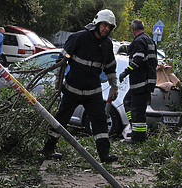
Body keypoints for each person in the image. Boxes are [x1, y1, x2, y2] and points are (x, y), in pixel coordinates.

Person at [43, 9, 119, 163]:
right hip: (73, 88)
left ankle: (104, 155)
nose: (106, 29)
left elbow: (110, 67)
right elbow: (62, 59)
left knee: (100, 122)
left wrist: (114, 86)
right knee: (61, 119)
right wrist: (58, 80)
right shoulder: (79, 37)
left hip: (93, 91)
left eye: (109, 27)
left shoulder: (107, 45)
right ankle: (48, 149)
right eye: (104, 25)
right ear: (97, 23)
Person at [119, 19, 157, 144]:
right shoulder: (149, 40)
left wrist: (125, 72)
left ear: (133, 29)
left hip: (140, 82)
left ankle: (137, 138)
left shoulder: (139, 41)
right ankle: (134, 129)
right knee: (128, 102)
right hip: (147, 82)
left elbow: (138, 60)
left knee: (138, 111)